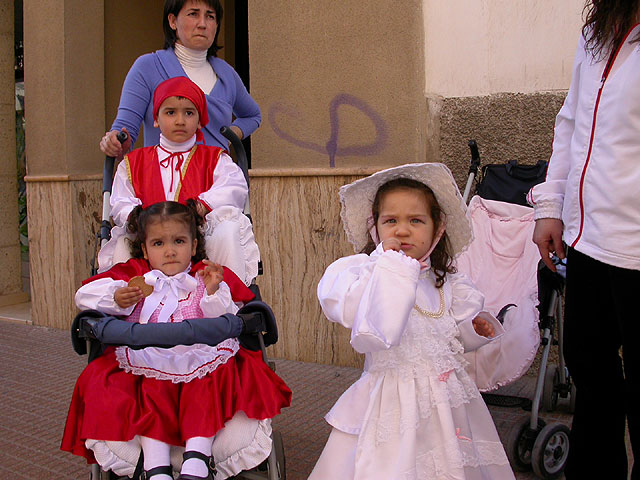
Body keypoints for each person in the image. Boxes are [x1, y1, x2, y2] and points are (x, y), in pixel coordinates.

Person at [309, 163, 515, 479]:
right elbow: (366, 322)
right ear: (375, 227)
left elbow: (451, 338)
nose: (402, 230)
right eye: (390, 221)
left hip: (446, 404)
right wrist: (387, 266)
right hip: (392, 402)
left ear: (437, 229)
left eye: (416, 221)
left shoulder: (449, 284)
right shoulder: (365, 273)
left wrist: (472, 330)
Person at [61, 201, 291, 480]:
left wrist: (213, 291)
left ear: (194, 246)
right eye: (158, 243)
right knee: (147, 390)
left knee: (207, 382)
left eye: (179, 241)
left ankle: (197, 461)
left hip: (200, 354)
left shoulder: (204, 276)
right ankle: (155, 468)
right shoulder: (131, 277)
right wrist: (116, 297)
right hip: (146, 357)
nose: (169, 251)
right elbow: (84, 295)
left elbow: (231, 313)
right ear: (145, 250)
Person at [528, 1, 640, 478]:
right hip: (588, 242)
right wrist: (551, 208)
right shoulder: (601, 29)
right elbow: (570, 122)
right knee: (591, 377)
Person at [98, 75, 259, 285]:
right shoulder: (133, 162)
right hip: (150, 244)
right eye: (171, 112)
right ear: (156, 119)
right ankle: (129, 306)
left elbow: (233, 187)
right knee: (123, 244)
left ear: (200, 121)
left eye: (189, 113)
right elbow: (120, 201)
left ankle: (227, 302)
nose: (180, 120)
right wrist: (138, 216)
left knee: (228, 231)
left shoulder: (215, 159)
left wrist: (201, 206)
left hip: (199, 243)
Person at [100, 0, 260, 157]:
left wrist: (228, 137)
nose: (202, 24)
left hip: (217, 180)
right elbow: (125, 129)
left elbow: (252, 115)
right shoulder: (147, 67)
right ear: (172, 21)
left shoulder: (226, 73)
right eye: (193, 14)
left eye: (210, 16)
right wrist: (114, 141)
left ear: (217, 25)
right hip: (163, 180)